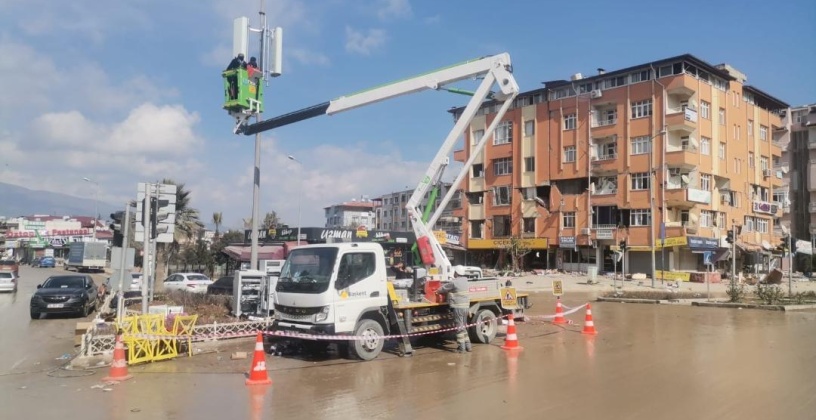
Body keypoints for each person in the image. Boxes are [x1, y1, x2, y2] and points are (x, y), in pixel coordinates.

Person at [436, 266, 472, 353]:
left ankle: (461, 348)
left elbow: (443, 288)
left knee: (459, 328)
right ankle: (468, 346)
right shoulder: (466, 281)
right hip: (466, 307)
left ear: (456, 272)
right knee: (463, 327)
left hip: (458, 307)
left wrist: (437, 290)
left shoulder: (454, 282)